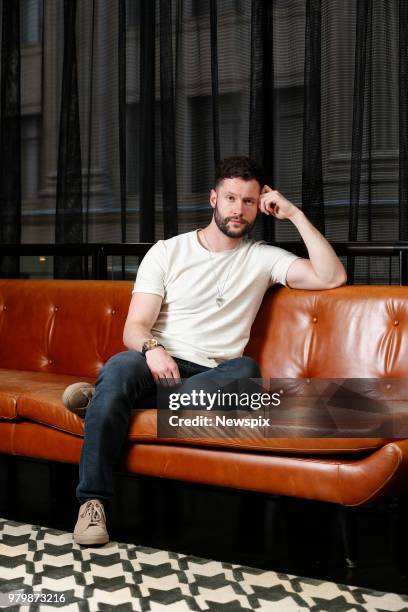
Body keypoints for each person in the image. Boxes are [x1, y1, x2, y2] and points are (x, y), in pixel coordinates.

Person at [72, 156, 346, 546]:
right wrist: (154, 349)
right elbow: (134, 328)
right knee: (119, 368)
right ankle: (92, 503)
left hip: (212, 375)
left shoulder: (263, 257)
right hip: (155, 361)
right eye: (231, 198)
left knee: (246, 373)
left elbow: (331, 276)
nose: (238, 209)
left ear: (259, 207)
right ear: (214, 199)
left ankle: (105, 403)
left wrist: (295, 215)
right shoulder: (168, 251)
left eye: (249, 201)